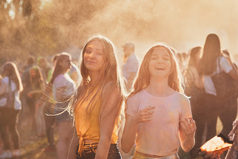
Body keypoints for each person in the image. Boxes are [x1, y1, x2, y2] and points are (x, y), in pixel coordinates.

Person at [121, 43, 196, 159]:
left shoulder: (182, 101)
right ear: (146, 64)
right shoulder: (134, 99)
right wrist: (134, 120)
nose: (160, 61)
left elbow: (186, 147)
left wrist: (190, 135)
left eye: (165, 58)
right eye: (154, 58)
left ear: (172, 67)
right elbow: (125, 147)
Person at [71, 35, 124, 159]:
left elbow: (105, 138)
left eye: (99, 53)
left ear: (108, 59)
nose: (91, 56)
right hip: (81, 152)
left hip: (103, 154)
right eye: (88, 51)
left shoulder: (111, 88)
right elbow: (76, 134)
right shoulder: (83, 88)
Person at [199, 33, 238, 142]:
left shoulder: (202, 61)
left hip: (208, 98)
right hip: (222, 99)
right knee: (228, 127)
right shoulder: (221, 60)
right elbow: (235, 76)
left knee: (210, 129)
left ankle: (208, 154)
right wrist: (230, 61)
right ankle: (222, 150)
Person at [49, 53, 76, 159]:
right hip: (64, 109)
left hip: (67, 109)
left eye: (70, 60)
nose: (70, 63)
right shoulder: (60, 78)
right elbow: (60, 96)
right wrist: (75, 96)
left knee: (69, 138)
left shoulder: (64, 76)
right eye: (67, 61)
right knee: (63, 139)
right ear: (60, 63)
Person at [0, 62, 23, 157]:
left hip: (6, 107)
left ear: (5, 70)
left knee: (3, 128)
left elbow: (1, 92)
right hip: (16, 107)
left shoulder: (4, 80)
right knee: (13, 129)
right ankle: (16, 150)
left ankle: (7, 151)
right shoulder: (17, 80)